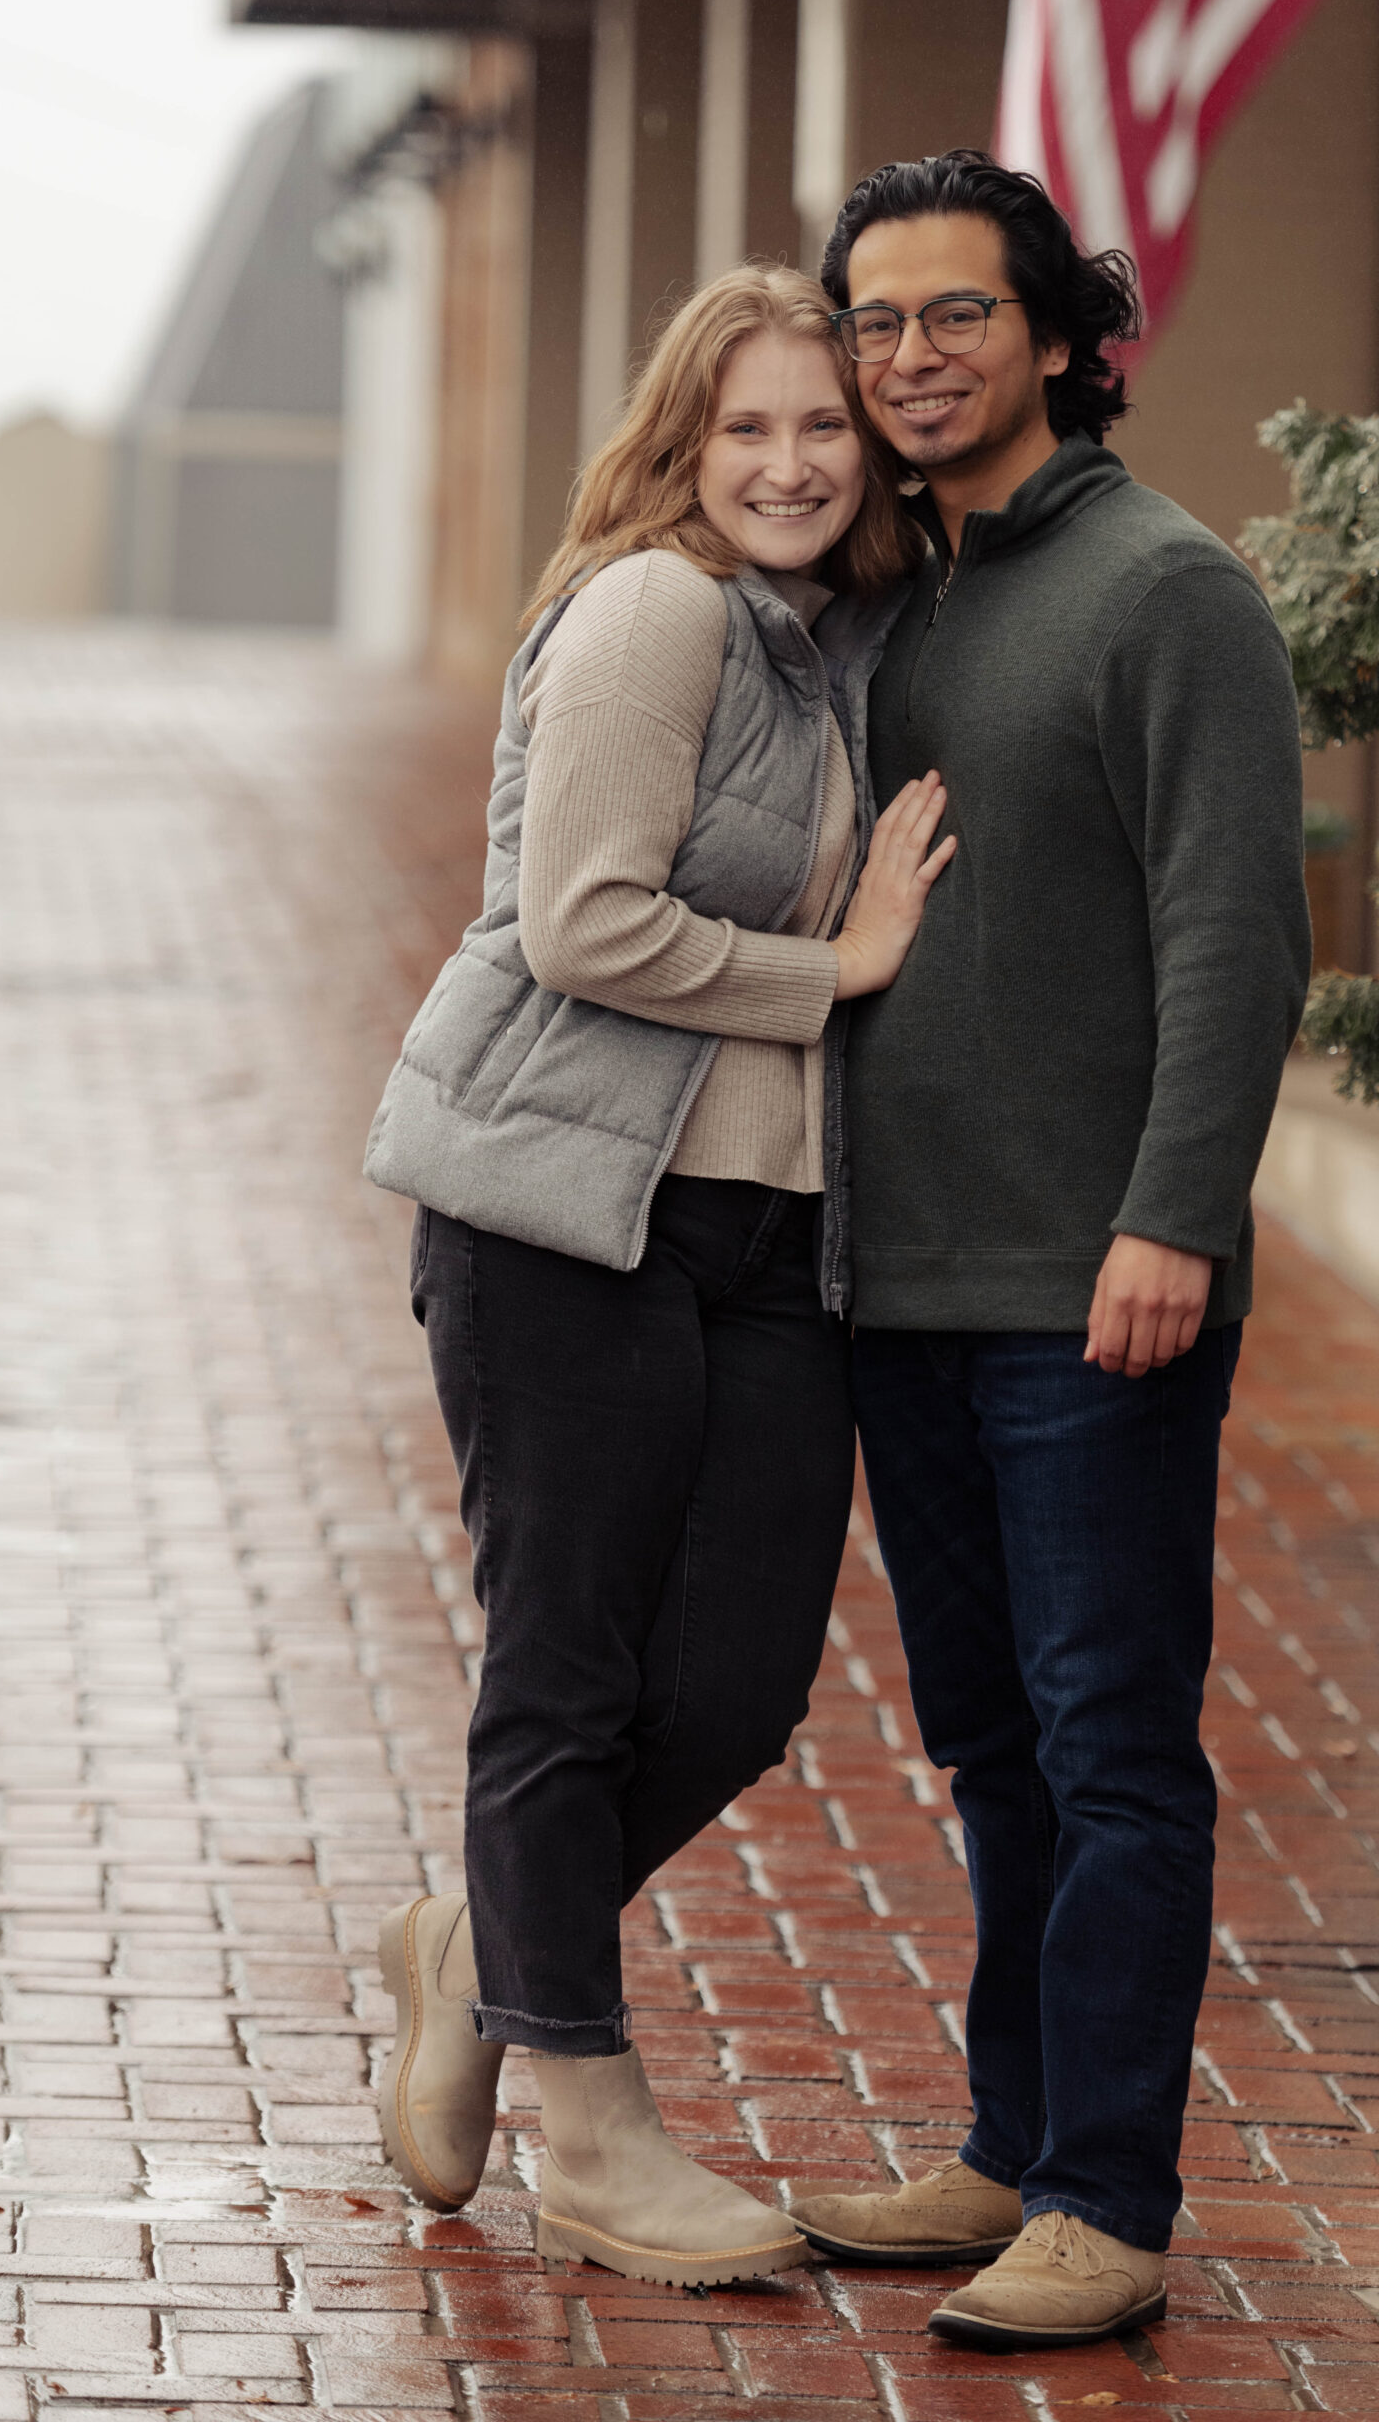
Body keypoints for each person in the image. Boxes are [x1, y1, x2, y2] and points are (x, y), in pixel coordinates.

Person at [361, 266, 952, 2287]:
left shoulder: (837, 644)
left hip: (760, 1225)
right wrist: (840, 970)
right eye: (748, 429)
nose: (790, 463)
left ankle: (473, 1938)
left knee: (740, 1679)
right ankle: (590, 2126)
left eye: (823, 427)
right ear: (683, 451)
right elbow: (582, 916)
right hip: (556, 1207)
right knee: (569, 1664)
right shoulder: (658, 609)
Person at [788, 153, 1312, 2351]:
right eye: (877, 324)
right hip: (903, 1277)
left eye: (955, 316)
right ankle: (1011, 2142)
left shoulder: (1164, 589)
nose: (912, 357)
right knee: (988, 1741)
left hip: (1090, 1284)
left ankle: (1106, 2191)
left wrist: (1174, 1212)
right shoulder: (901, 597)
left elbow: (1235, 931)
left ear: (1058, 333)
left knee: (1112, 1748)